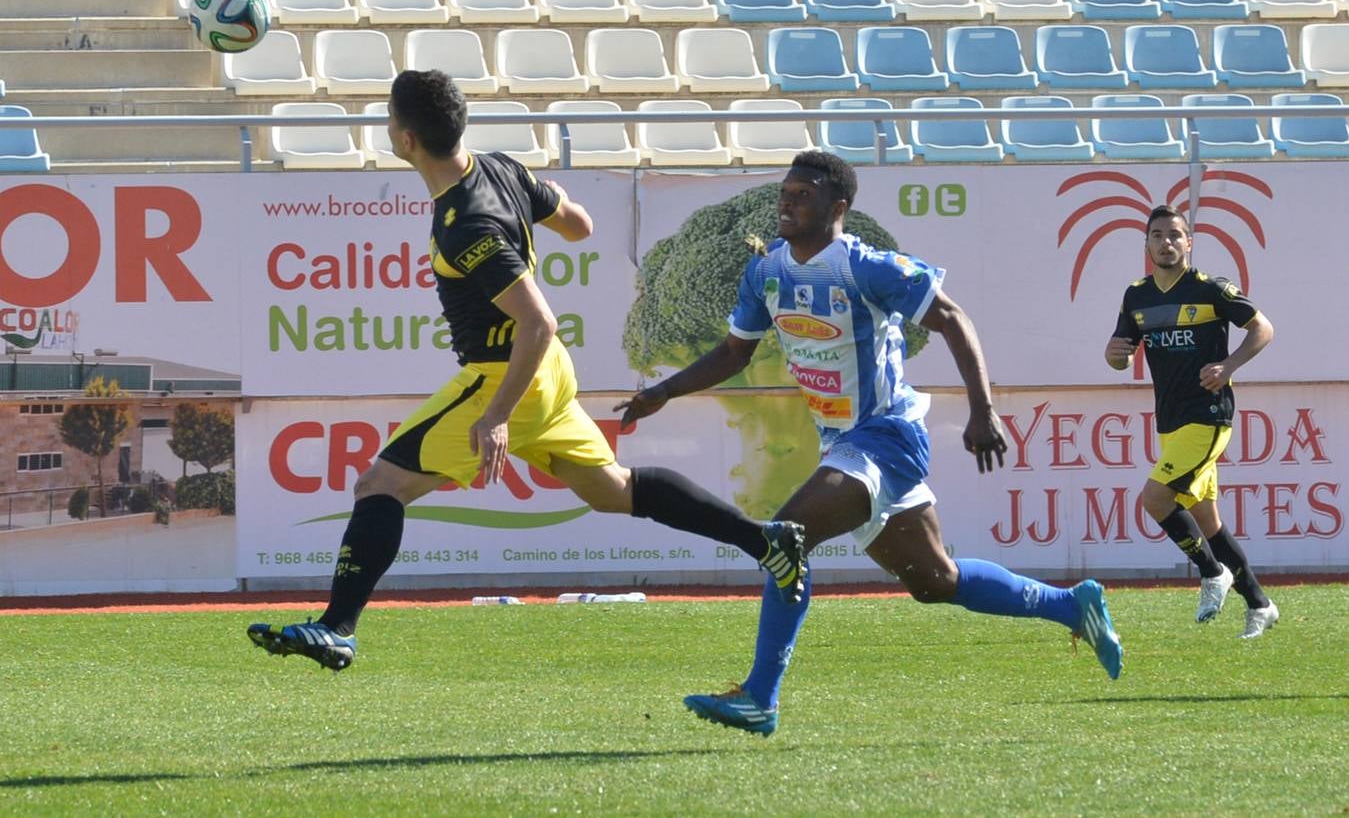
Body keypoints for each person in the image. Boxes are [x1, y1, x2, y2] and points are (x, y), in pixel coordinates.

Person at [247, 70, 805, 671]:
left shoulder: (467, 226)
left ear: (405, 139)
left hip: (506, 371)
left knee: (379, 487)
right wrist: (543, 202)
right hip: (551, 376)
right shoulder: (502, 168)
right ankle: (765, 541)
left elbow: (538, 324)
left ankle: (338, 628)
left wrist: (494, 418)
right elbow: (580, 225)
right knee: (612, 490)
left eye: (388, 117)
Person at [618, 150, 1123, 737]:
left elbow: (953, 318)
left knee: (787, 542)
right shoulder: (766, 272)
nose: (787, 200)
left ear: (838, 208)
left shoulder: (866, 267)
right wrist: (662, 392)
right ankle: (1072, 605)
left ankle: (760, 696)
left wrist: (983, 412)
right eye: (785, 191)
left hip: (887, 437)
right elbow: (735, 353)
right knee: (936, 582)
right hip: (844, 445)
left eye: (802, 194)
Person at [1105, 204, 1278, 639]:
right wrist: (1114, 357)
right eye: (1158, 235)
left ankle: (1210, 572)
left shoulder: (1211, 289)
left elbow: (1263, 328)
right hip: (1170, 421)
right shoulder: (1136, 295)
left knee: (1154, 499)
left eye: (1175, 235)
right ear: (1146, 244)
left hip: (1209, 416)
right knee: (1208, 521)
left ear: (1189, 243)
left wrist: (1229, 365)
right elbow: (1119, 355)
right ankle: (1260, 603)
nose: (1166, 242)